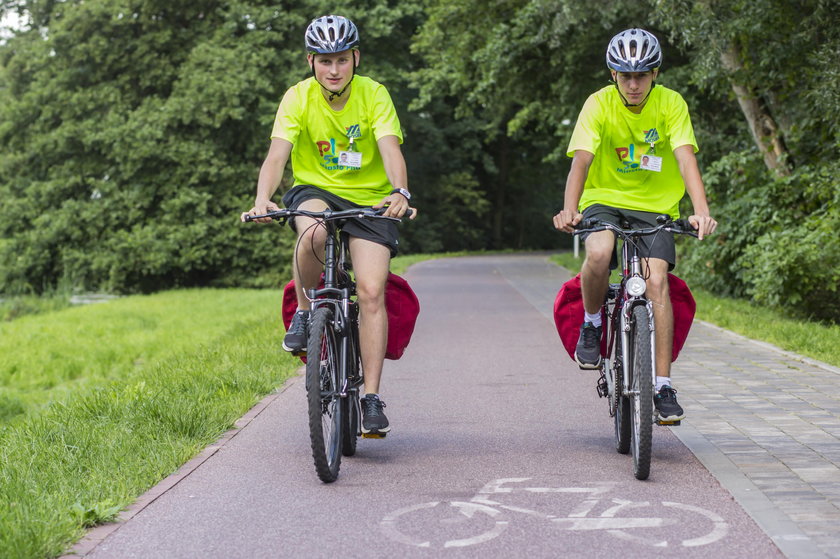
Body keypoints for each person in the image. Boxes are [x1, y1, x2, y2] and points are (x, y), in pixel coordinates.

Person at [242, 15, 415, 436]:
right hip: (316, 190)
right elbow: (277, 155)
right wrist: (262, 198)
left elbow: (390, 148)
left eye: (341, 59)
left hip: (371, 200)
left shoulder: (374, 94)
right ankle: (304, 314)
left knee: (373, 290)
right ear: (311, 61)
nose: (333, 69)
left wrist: (400, 192)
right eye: (324, 61)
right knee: (314, 229)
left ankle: (371, 398)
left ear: (355, 57)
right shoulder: (297, 97)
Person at [553, 28, 717, 421]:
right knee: (598, 252)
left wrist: (700, 210)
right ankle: (592, 324)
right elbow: (581, 161)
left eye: (641, 75)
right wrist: (569, 209)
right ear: (613, 75)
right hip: (603, 199)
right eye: (625, 75)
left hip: (655, 206)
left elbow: (684, 158)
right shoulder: (598, 104)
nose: (633, 84)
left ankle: (662, 385)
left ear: (655, 73)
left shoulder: (671, 104)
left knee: (656, 281)